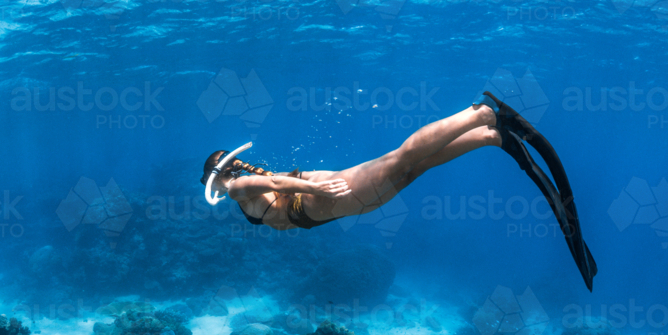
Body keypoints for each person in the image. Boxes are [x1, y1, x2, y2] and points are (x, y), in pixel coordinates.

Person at [200, 92, 597, 290]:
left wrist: (308, 186)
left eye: (209, 181)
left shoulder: (236, 188)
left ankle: (481, 113)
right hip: (326, 202)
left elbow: (272, 183)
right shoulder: (241, 187)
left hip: (325, 199)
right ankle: (491, 136)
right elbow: (276, 184)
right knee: (408, 172)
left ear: (218, 174)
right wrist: (309, 185)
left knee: (401, 160)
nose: (212, 189)